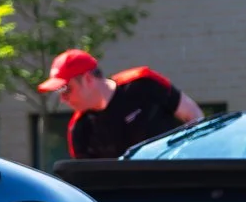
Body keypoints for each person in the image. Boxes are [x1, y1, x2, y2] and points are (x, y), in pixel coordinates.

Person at [40, 49, 203, 161]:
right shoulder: (80, 128)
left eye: (66, 89)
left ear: (88, 79)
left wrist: (188, 159)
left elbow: (194, 116)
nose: (63, 98)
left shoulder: (143, 83)